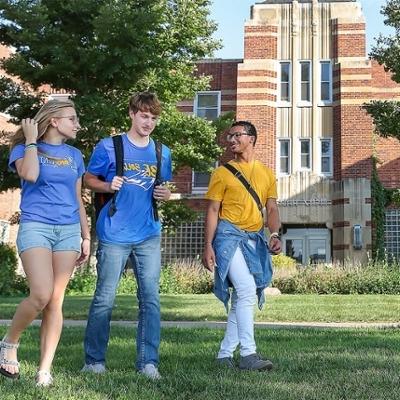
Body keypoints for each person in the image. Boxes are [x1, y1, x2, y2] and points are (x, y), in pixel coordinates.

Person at [81, 92, 172, 380]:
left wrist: (166, 194)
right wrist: (107, 186)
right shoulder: (109, 147)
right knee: (104, 298)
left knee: (150, 298)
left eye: (154, 118)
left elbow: (164, 187)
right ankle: (94, 361)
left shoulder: (161, 151)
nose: (149, 122)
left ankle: (148, 363)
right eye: (144, 115)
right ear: (132, 113)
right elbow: (88, 179)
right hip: (114, 232)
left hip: (148, 233)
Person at [0, 99, 90, 386]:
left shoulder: (75, 155)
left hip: (67, 229)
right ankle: (9, 343)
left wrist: (86, 236)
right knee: (40, 294)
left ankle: (44, 370)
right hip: (36, 226)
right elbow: (31, 174)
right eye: (72, 118)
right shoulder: (24, 149)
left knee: (55, 301)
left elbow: (78, 199)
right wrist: (29, 141)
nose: (78, 124)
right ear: (53, 120)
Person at [202, 120, 281, 371]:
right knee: (246, 289)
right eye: (229, 136)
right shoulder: (222, 173)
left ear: (252, 139)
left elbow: (272, 207)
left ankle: (224, 356)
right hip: (228, 236)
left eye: (237, 135)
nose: (231, 140)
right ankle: (249, 354)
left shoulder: (266, 173)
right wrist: (208, 245)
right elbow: (213, 210)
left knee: (242, 297)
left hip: (254, 237)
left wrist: (275, 233)